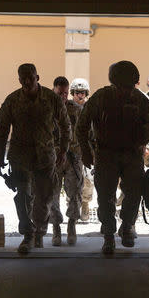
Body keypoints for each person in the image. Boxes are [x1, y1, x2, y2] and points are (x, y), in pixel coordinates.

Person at [76, 61, 149, 254]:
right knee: (106, 196)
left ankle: (127, 227)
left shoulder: (139, 100)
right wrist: (86, 151)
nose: (126, 91)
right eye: (123, 86)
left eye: (129, 86)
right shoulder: (101, 97)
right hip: (106, 154)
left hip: (132, 155)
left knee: (133, 193)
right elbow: (81, 126)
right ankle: (108, 236)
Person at [0, 63, 71, 254]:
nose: (27, 82)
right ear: (19, 79)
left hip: (45, 157)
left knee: (44, 199)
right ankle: (28, 235)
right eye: (23, 78)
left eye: (30, 77)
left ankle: (39, 233)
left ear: (38, 77)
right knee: (23, 197)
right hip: (20, 157)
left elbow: (65, 126)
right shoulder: (12, 101)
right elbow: (2, 131)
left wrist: (62, 151)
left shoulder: (52, 99)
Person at [49, 76, 83, 246]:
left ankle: (71, 225)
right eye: (59, 93)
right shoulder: (47, 109)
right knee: (52, 194)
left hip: (73, 158)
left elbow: (86, 132)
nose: (63, 96)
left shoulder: (76, 109)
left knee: (75, 192)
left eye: (65, 93)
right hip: (53, 159)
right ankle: (56, 228)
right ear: (53, 90)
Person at [69, 78, 94, 222]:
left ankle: (85, 203)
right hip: (72, 149)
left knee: (88, 180)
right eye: (77, 92)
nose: (80, 95)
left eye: (83, 92)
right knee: (72, 181)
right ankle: (73, 206)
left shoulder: (90, 108)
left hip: (87, 149)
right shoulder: (67, 107)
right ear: (73, 93)